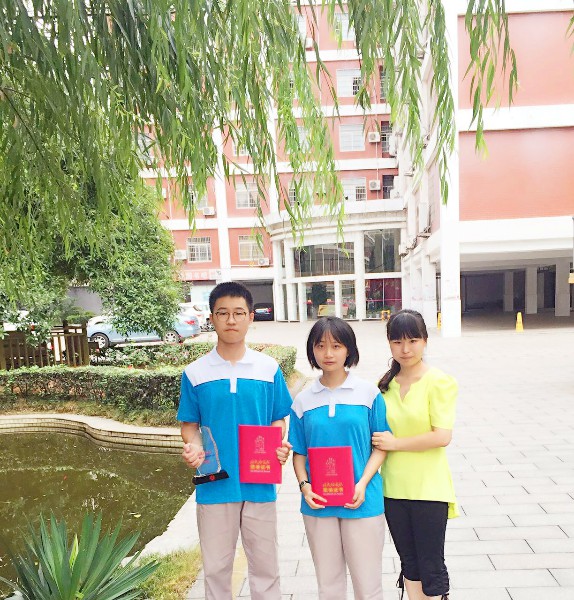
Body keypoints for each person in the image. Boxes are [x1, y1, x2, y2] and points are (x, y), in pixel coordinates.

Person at [177, 281, 292, 600]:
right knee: (216, 569)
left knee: (266, 569)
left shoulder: (268, 369)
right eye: (223, 313)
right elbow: (189, 425)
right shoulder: (195, 373)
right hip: (215, 482)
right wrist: (193, 446)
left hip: (259, 482)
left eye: (239, 313)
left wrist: (278, 443)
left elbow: (277, 417)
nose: (231, 320)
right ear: (211, 318)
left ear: (251, 317)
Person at [288, 316, 391, 600]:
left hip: (362, 500)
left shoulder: (368, 394)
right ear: (312, 351)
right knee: (329, 586)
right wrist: (304, 486)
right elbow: (299, 453)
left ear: (349, 350)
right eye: (320, 346)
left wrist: (362, 483)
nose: (328, 353)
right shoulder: (303, 401)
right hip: (318, 503)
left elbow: (381, 446)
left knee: (368, 585)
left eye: (336, 346)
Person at [372, 309, 458, 600]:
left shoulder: (439, 382)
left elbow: (442, 436)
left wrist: (394, 444)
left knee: (431, 563)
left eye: (412, 341)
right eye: (397, 342)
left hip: (429, 488)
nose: (405, 349)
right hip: (393, 487)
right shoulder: (384, 386)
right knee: (409, 561)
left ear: (425, 341)